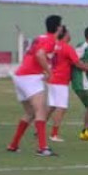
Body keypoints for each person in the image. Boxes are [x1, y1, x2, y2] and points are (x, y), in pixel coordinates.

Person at [7, 15, 62, 156]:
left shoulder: (40, 37)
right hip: (29, 77)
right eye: (60, 25)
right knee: (41, 111)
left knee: (30, 112)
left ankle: (13, 145)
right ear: (58, 28)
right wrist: (49, 72)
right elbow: (39, 54)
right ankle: (43, 148)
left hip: (20, 75)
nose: (61, 27)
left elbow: (34, 54)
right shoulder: (51, 40)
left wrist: (42, 70)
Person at [46, 26, 88, 142]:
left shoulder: (85, 47)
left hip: (82, 82)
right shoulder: (83, 46)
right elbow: (76, 62)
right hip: (81, 83)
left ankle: (85, 132)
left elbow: (77, 62)